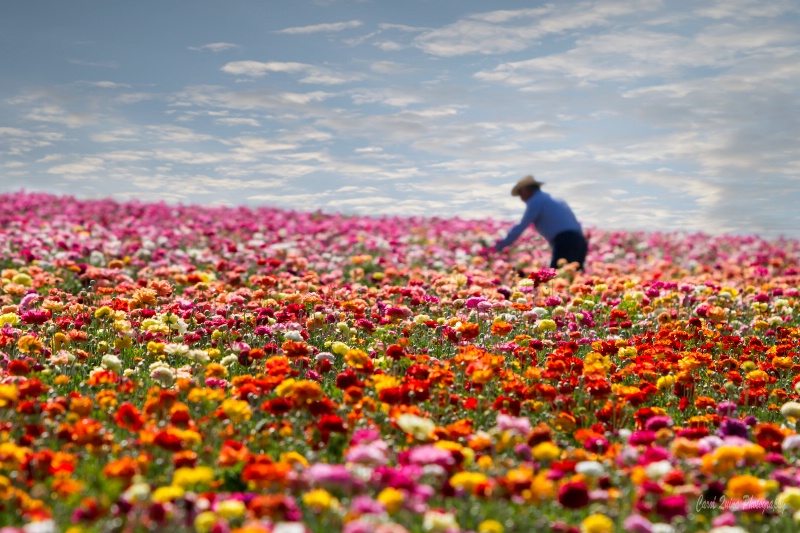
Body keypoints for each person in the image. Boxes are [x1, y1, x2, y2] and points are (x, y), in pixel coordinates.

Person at [493, 175, 588, 270]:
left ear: (526, 190)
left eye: (521, 193)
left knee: (555, 277)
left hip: (565, 241)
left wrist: (499, 246)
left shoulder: (536, 201)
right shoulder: (553, 199)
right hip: (580, 241)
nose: (521, 198)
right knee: (576, 277)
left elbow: (521, 226)